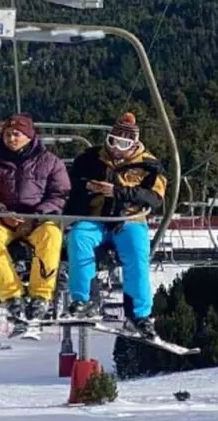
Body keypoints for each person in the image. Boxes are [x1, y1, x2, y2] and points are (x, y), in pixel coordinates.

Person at [63, 111, 164, 337]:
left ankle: (139, 315)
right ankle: (83, 301)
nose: (116, 148)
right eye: (112, 141)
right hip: (95, 218)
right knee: (79, 238)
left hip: (128, 219)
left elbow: (155, 198)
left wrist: (118, 192)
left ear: (134, 144)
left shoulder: (149, 165)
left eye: (123, 143)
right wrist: (87, 188)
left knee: (137, 256)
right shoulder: (90, 158)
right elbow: (70, 186)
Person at [0, 113, 71, 336]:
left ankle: (41, 296)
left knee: (52, 236)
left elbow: (60, 195)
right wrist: (1, 212)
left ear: (29, 136)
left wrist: (37, 215)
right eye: (8, 134)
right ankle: (12, 296)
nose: (11, 138)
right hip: (3, 219)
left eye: (16, 134)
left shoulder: (50, 162)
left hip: (38, 219)